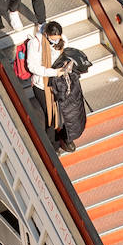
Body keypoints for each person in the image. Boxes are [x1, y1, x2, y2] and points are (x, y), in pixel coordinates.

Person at [23, 20, 75, 152]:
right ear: (46, 34)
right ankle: (53, 145)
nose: (55, 43)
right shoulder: (35, 43)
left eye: (57, 40)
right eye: (52, 40)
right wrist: (53, 72)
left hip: (59, 82)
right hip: (42, 85)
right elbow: (32, 66)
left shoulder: (63, 40)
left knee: (65, 110)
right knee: (49, 115)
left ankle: (66, 137)